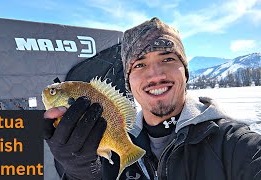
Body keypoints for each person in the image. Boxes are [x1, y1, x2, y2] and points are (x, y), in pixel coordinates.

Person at [43, 17, 261, 180]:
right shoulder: (107, 150)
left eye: (167, 58)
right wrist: (79, 174)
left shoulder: (232, 144)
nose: (155, 75)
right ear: (129, 82)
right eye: (139, 64)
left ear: (185, 72)